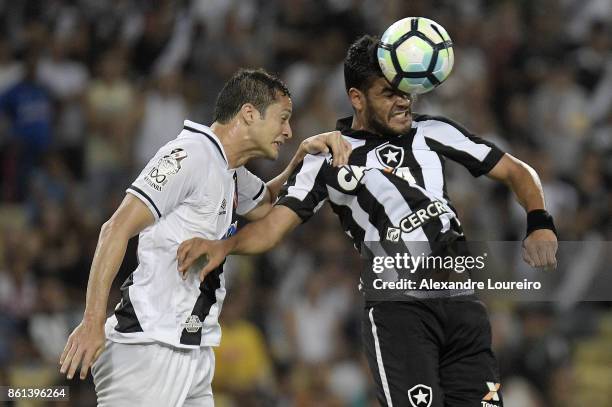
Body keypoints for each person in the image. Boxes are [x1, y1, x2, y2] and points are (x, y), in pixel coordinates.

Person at [176, 36, 558, 407]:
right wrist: (225, 245)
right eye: (388, 93)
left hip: (463, 306)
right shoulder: (327, 158)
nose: (403, 102)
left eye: (405, 90)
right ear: (357, 97)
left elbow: (516, 171)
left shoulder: (435, 131)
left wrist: (539, 221)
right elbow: (273, 227)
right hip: (400, 312)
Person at [58, 68, 351, 406]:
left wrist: (302, 156)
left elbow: (268, 205)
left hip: (192, 348)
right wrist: (92, 321)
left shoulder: (230, 171)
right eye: (283, 119)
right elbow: (115, 228)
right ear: (249, 114)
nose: (287, 131)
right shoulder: (189, 155)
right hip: (149, 348)